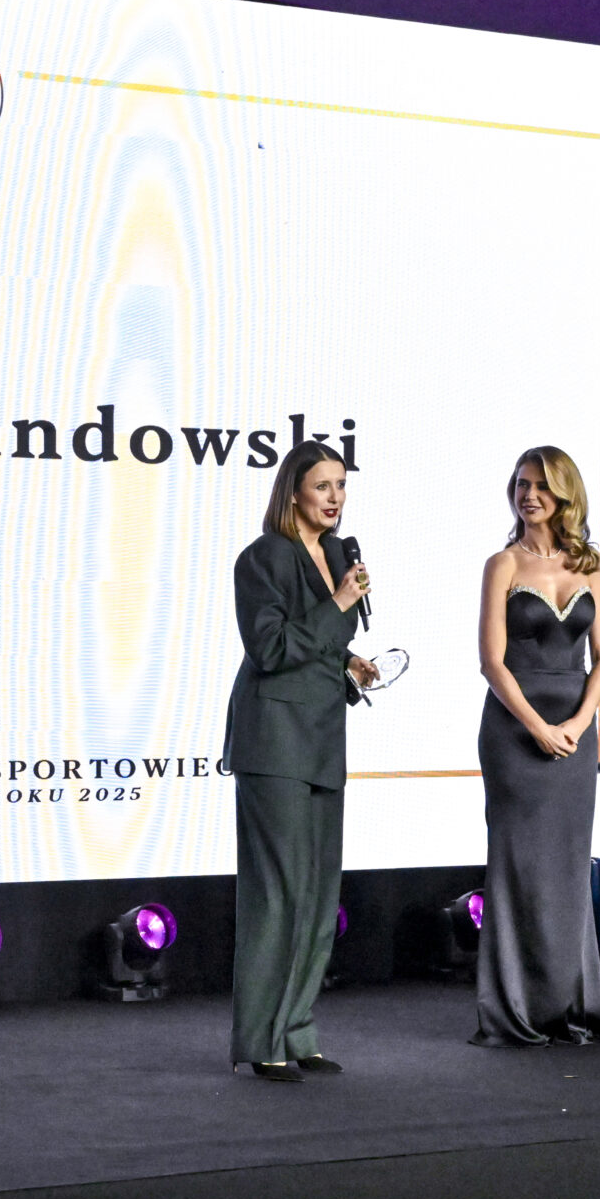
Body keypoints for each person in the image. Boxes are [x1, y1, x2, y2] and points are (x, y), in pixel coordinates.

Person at [224, 441, 379, 1081]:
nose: (335, 497)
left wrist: (349, 662)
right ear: (294, 493)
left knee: (317, 894)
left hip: (320, 736)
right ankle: (261, 1039)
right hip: (275, 739)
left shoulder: (335, 557)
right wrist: (338, 606)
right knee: (279, 892)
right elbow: (269, 647)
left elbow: (314, 642)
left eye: (341, 484)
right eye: (322, 486)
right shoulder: (264, 557)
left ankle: (297, 1031)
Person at [471, 448, 600, 1046]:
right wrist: (535, 726)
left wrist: (580, 722)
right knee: (518, 866)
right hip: (514, 731)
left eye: (542, 486)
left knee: (567, 866)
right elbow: (491, 661)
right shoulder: (502, 563)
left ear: (564, 495)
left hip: (576, 733)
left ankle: (568, 1003)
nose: (529, 495)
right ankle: (515, 1008)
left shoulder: (589, 566)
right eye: (522, 484)